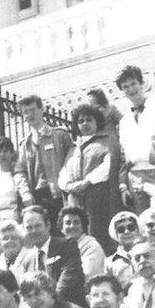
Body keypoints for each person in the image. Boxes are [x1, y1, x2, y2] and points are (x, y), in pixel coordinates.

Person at [115, 65, 155, 212]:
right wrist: (123, 186)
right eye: (125, 87)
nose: (131, 89)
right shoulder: (124, 121)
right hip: (135, 178)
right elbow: (123, 156)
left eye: (133, 84)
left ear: (142, 84)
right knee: (143, 225)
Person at [58, 103, 122, 252]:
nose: (85, 124)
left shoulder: (107, 140)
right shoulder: (74, 147)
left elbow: (109, 165)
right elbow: (64, 171)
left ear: (96, 122)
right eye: (81, 121)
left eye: (89, 120)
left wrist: (86, 182)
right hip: (76, 200)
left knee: (98, 235)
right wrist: (69, 186)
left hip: (98, 198)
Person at [15, 95, 73, 224]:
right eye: (25, 112)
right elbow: (20, 172)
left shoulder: (59, 135)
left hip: (59, 195)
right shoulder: (25, 144)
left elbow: (71, 163)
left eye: (33, 110)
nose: (30, 114)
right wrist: (25, 193)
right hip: (37, 198)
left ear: (42, 109)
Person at [21, 205, 86, 306]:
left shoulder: (66, 245)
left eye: (37, 226)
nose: (34, 231)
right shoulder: (27, 259)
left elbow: (69, 277)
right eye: (29, 228)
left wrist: (51, 303)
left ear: (48, 225)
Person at [59, 206, 105, 280]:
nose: (72, 226)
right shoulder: (61, 247)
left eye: (76, 222)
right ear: (61, 228)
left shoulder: (92, 246)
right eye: (68, 223)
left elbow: (88, 274)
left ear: (82, 227)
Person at [105, 211, 141, 289]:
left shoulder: (147, 253)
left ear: (138, 230)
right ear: (115, 234)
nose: (126, 232)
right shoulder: (110, 262)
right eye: (121, 229)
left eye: (131, 228)